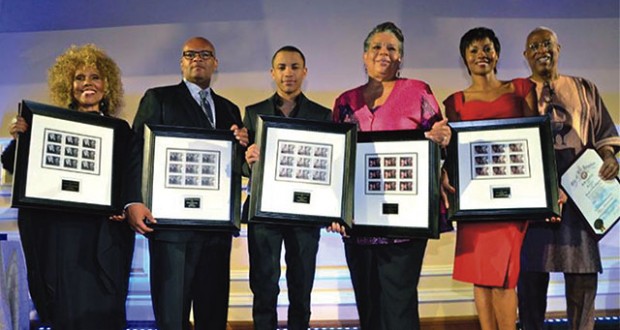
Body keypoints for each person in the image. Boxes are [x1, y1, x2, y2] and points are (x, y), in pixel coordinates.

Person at [0, 44, 135, 330]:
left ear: (107, 85)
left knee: (107, 307)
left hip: (105, 235)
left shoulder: (121, 129)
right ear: (67, 85)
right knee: (68, 309)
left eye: (95, 77)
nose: (87, 83)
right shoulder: (47, 125)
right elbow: (15, 165)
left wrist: (123, 206)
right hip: (63, 234)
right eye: (79, 77)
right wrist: (20, 138)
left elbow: (131, 176)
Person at [327, 22, 451, 330]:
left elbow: (441, 142)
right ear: (365, 56)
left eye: (392, 48)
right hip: (358, 222)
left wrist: (442, 137)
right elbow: (336, 160)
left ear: (400, 58)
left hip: (404, 224)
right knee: (367, 305)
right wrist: (333, 209)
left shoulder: (418, 92)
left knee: (399, 305)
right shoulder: (345, 102)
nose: (384, 53)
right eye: (377, 47)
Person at [124, 37, 248, 330]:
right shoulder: (159, 98)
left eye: (205, 54)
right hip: (171, 229)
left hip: (215, 229)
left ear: (215, 63)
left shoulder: (229, 109)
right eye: (190, 54)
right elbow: (136, 151)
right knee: (172, 316)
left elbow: (235, 165)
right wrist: (133, 200)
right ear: (181, 62)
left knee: (213, 315)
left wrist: (243, 145)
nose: (197, 59)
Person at [517, 27, 620, 330]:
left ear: (558, 48)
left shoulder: (585, 88)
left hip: (581, 201)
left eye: (546, 44)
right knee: (530, 283)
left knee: (583, 281)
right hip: (537, 202)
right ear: (526, 56)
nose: (541, 50)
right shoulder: (516, 92)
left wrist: (611, 158)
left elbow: (604, 135)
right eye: (533, 46)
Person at [442, 27, 537, 330]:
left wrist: (550, 187)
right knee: (479, 277)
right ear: (464, 59)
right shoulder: (454, 102)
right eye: (473, 50)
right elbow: (453, 152)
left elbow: (538, 139)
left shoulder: (521, 88)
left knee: (504, 279)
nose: (481, 55)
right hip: (473, 200)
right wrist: (444, 174)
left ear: (497, 54)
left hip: (513, 197)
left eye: (486, 48)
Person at [242, 45, 332, 330]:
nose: (288, 73)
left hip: (305, 213)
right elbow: (243, 167)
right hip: (264, 213)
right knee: (264, 286)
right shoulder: (253, 113)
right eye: (281, 67)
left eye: (294, 67)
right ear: (272, 73)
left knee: (301, 285)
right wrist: (247, 159)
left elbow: (328, 168)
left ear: (304, 72)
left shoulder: (322, 115)